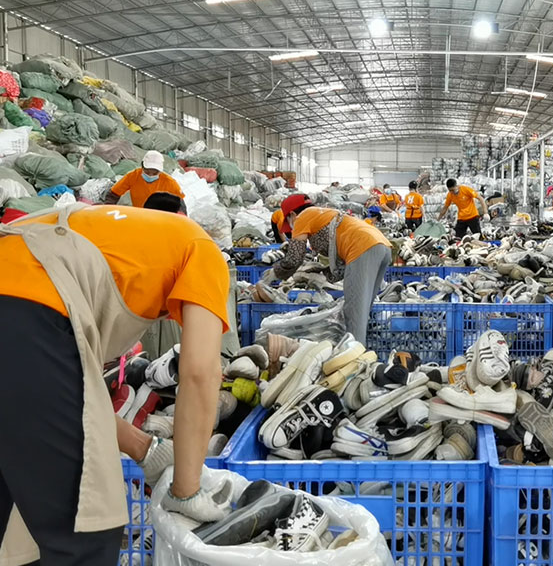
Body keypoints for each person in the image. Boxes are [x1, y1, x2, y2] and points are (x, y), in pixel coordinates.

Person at [0, 204, 231, 564]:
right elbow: (201, 373)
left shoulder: (112, 235)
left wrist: (146, 449)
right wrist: (186, 491)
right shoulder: (203, 250)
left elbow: (62, 403)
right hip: (28, 313)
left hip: (21, 315)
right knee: (85, 525)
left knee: (8, 511)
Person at [272, 195, 391, 345]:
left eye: (289, 223)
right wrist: (323, 274)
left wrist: (275, 273)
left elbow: (295, 258)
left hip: (363, 247)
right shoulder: (324, 215)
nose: (291, 229)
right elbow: (341, 263)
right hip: (381, 246)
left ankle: (355, 354)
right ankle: (359, 350)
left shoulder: (302, 217)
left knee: (354, 313)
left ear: (292, 215)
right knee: (363, 309)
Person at [105, 150, 184, 208]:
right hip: (140, 214)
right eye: (147, 172)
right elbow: (114, 194)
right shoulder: (133, 176)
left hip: (160, 216)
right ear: (142, 166)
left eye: (155, 173)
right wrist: (108, 208)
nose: (150, 176)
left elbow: (180, 203)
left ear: (160, 171)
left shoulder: (169, 182)